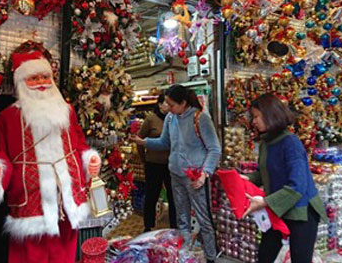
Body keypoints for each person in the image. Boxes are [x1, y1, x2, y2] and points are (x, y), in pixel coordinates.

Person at [0, 50, 102, 263]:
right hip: (31, 202)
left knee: (65, 253)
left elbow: (78, 144)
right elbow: (1, 154)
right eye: (34, 78)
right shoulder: (8, 117)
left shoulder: (66, 111)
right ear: (21, 81)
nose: (41, 82)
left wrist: (88, 160)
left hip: (67, 201)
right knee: (29, 255)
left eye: (45, 77)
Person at [132, 84, 221, 263]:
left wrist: (204, 174)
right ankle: (185, 254)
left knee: (204, 218)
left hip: (196, 177)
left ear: (183, 103)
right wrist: (144, 142)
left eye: (171, 104)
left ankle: (211, 256)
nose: (167, 108)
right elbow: (165, 142)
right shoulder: (171, 118)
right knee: (181, 217)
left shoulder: (200, 118)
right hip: (175, 174)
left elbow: (214, 149)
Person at [243, 93, 327, 263]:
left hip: (302, 211)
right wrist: (246, 178)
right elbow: (264, 172)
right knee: (265, 254)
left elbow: (297, 186)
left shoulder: (291, 143)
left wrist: (265, 202)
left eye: (257, 116)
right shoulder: (266, 143)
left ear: (270, 115)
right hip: (278, 207)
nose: (254, 122)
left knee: (300, 258)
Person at [137, 93, 177, 232]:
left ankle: (174, 225)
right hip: (153, 163)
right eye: (166, 103)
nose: (169, 105)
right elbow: (140, 140)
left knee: (173, 195)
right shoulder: (150, 120)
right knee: (152, 195)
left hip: (170, 164)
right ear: (160, 105)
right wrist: (144, 160)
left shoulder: (174, 119)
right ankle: (148, 225)